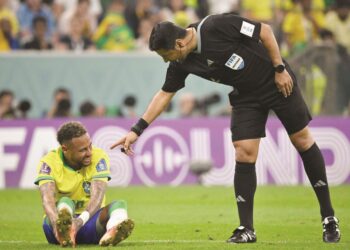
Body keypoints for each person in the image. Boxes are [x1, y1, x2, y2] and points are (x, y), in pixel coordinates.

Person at [110, 13, 341, 243]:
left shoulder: (216, 26)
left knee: (301, 140)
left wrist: (280, 69)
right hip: (246, 96)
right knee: (244, 151)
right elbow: (164, 95)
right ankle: (246, 228)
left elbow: (266, 31)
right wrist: (136, 130)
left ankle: (328, 217)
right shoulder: (181, 61)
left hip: (276, 82)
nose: (165, 60)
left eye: (165, 55)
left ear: (179, 44)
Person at [35, 121, 134, 247]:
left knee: (119, 205)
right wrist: (56, 225)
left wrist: (79, 222)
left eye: (90, 146)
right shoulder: (49, 162)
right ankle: (65, 229)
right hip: (56, 231)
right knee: (65, 201)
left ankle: (112, 232)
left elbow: (97, 198)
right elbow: (47, 199)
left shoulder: (99, 157)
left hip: (89, 223)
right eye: (82, 150)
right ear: (65, 149)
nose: (89, 153)